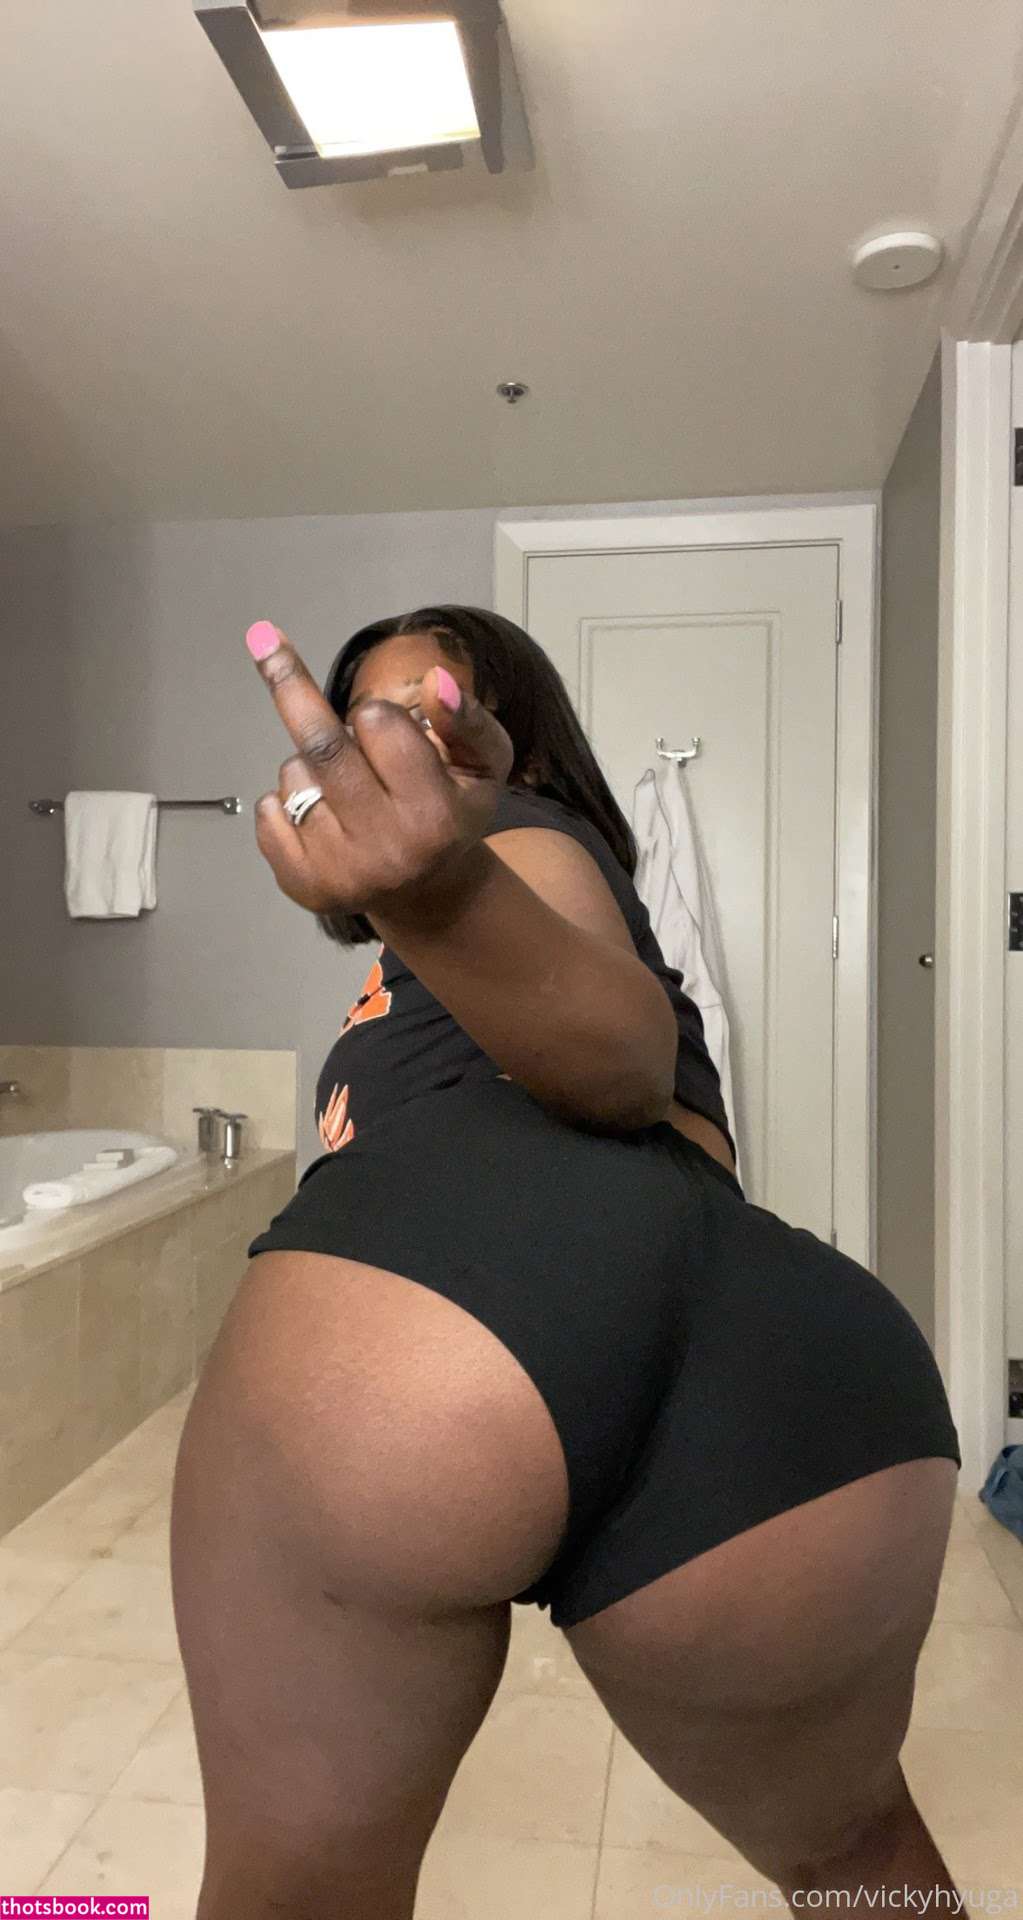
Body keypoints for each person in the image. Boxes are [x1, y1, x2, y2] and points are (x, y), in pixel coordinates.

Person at [170, 605, 962, 1920]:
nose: (387, 752)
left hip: (431, 1316)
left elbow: (620, 1068)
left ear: (512, 739)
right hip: (787, 1356)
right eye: (362, 728)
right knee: (861, 1866)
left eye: (421, 713)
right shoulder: (501, 897)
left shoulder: (520, 838)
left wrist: (447, 884)